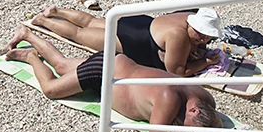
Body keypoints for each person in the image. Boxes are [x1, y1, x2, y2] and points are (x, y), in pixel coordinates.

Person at [3, 27, 222, 132]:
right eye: (189, 130)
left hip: (120, 64)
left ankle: (27, 34)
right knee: (52, 88)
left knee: (62, 66)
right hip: (105, 72)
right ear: (193, 110)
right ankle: (31, 56)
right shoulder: (169, 99)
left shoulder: (206, 100)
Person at [29, 7, 222, 77]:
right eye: (201, 35)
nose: (203, 40)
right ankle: (42, 20)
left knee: (91, 22)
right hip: (132, 41)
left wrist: (195, 44)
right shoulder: (179, 36)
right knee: (79, 34)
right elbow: (177, 71)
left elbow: (188, 39)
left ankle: (58, 11)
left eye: (207, 38)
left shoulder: (190, 14)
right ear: (193, 26)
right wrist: (206, 62)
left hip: (139, 23)